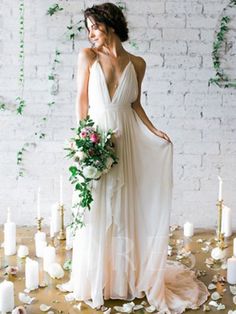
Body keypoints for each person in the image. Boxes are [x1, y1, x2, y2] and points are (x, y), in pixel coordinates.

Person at [68, 3, 209, 313]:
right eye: (88, 27)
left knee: (124, 208)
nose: (90, 33)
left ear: (111, 25)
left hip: (126, 143)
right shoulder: (87, 57)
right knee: (98, 208)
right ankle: (98, 280)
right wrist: (84, 142)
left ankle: (125, 278)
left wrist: (155, 130)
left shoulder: (137, 64)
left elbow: (134, 104)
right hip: (98, 139)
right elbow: (81, 101)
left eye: (95, 26)